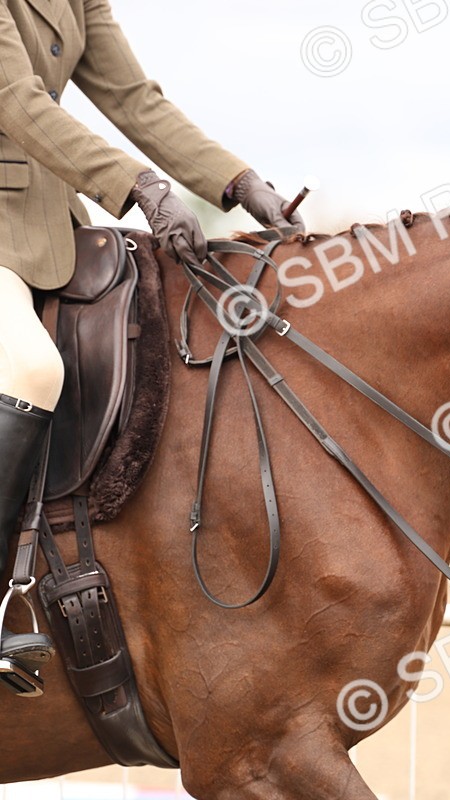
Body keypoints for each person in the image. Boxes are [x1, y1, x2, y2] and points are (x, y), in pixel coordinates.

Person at [0, 0, 302, 680]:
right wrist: (138, 185)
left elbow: (134, 98)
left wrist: (241, 184)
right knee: (29, 368)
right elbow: (16, 100)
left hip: (51, 236)